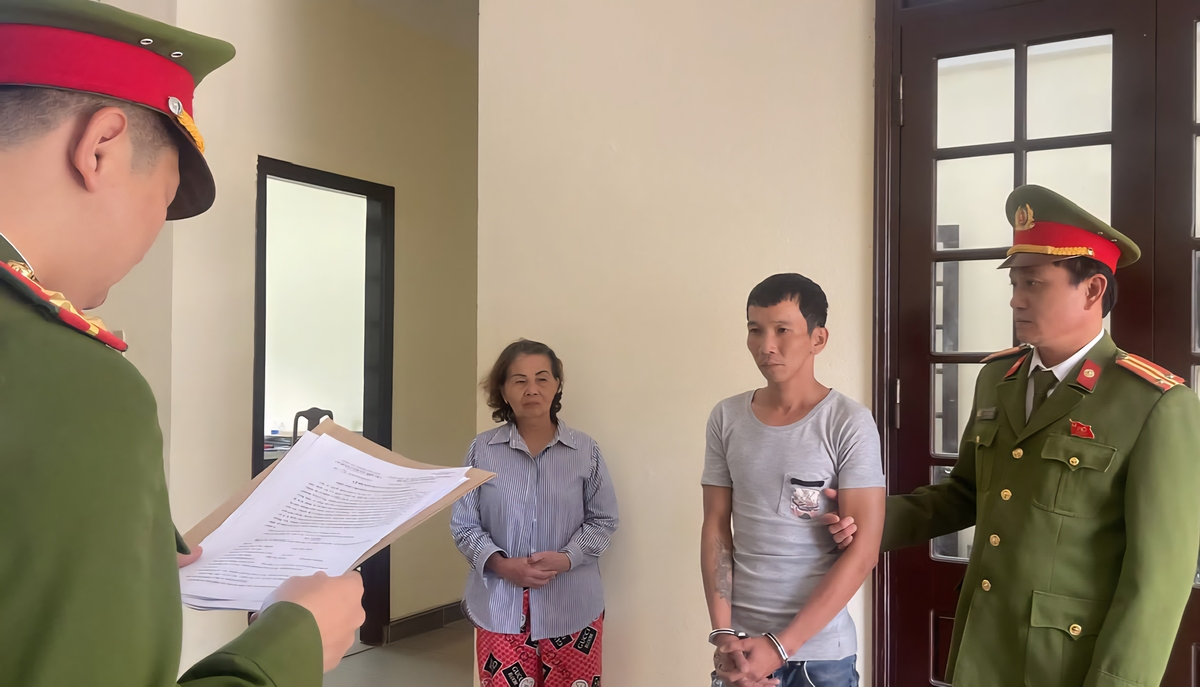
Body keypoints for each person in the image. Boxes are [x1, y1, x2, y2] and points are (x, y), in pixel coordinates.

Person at [0, 1, 364, 685]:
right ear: (101, 147)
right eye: (164, 200)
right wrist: (294, 643)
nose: (153, 235)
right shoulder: (78, 385)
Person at [824, 185, 1200, 687]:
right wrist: (869, 519)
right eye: (1015, 282)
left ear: (1092, 290)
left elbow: (1157, 582)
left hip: (1065, 666)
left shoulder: (1154, 404)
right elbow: (965, 494)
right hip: (982, 652)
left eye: (1034, 283)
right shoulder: (998, 379)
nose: (1015, 299)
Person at [701, 274, 886, 687]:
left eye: (782, 330)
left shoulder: (848, 422)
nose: (766, 345)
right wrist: (724, 633)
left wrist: (780, 646)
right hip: (740, 647)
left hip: (819, 657)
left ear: (818, 339)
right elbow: (716, 527)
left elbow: (864, 551)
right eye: (755, 330)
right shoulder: (726, 417)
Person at [451, 339, 620, 687]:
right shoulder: (482, 449)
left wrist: (568, 558)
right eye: (519, 380)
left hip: (572, 609)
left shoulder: (584, 450)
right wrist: (500, 564)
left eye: (542, 378)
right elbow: (464, 524)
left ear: (557, 385)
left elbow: (603, 520)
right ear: (503, 390)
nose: (532, 389)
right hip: (500, 608)